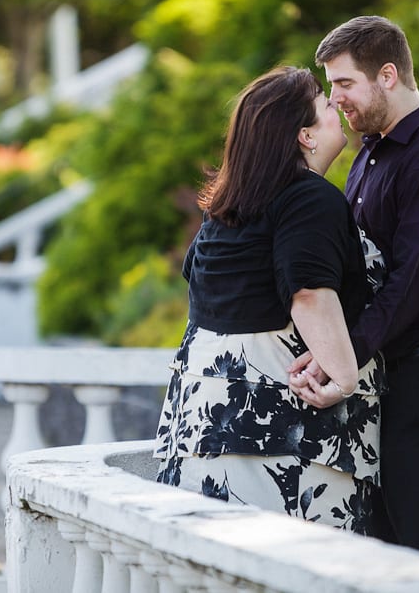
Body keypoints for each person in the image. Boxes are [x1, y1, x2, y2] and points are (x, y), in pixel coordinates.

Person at [289, 16, 419, 562]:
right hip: (395, 378)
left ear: (386, 75)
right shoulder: (372, 154)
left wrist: (339, 360)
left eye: (344, 84)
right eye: (330, 87)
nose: (336, 100)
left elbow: (406, 286)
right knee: (389, 555)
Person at [153, 65, 387, 534]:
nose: (335, 107)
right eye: (325, 103)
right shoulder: (309, 199)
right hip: (285, 435)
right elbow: (308, 293)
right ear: (304, 135)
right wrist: (342, 378)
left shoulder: (227, 208)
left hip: (205, 421)